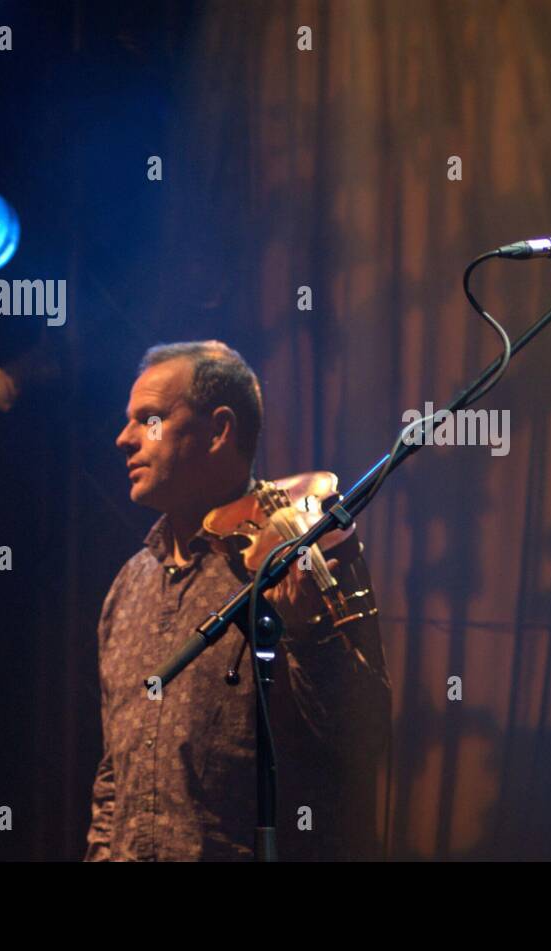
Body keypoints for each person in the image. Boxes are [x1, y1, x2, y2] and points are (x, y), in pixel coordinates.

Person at [85, 340, 390, 861]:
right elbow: (115, 775)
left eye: (149, 419)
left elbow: (362, 736)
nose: (123, 438)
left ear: (219, 430)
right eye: (128, 421)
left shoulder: (295, 551)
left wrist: (310, 632)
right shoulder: (128, 584)